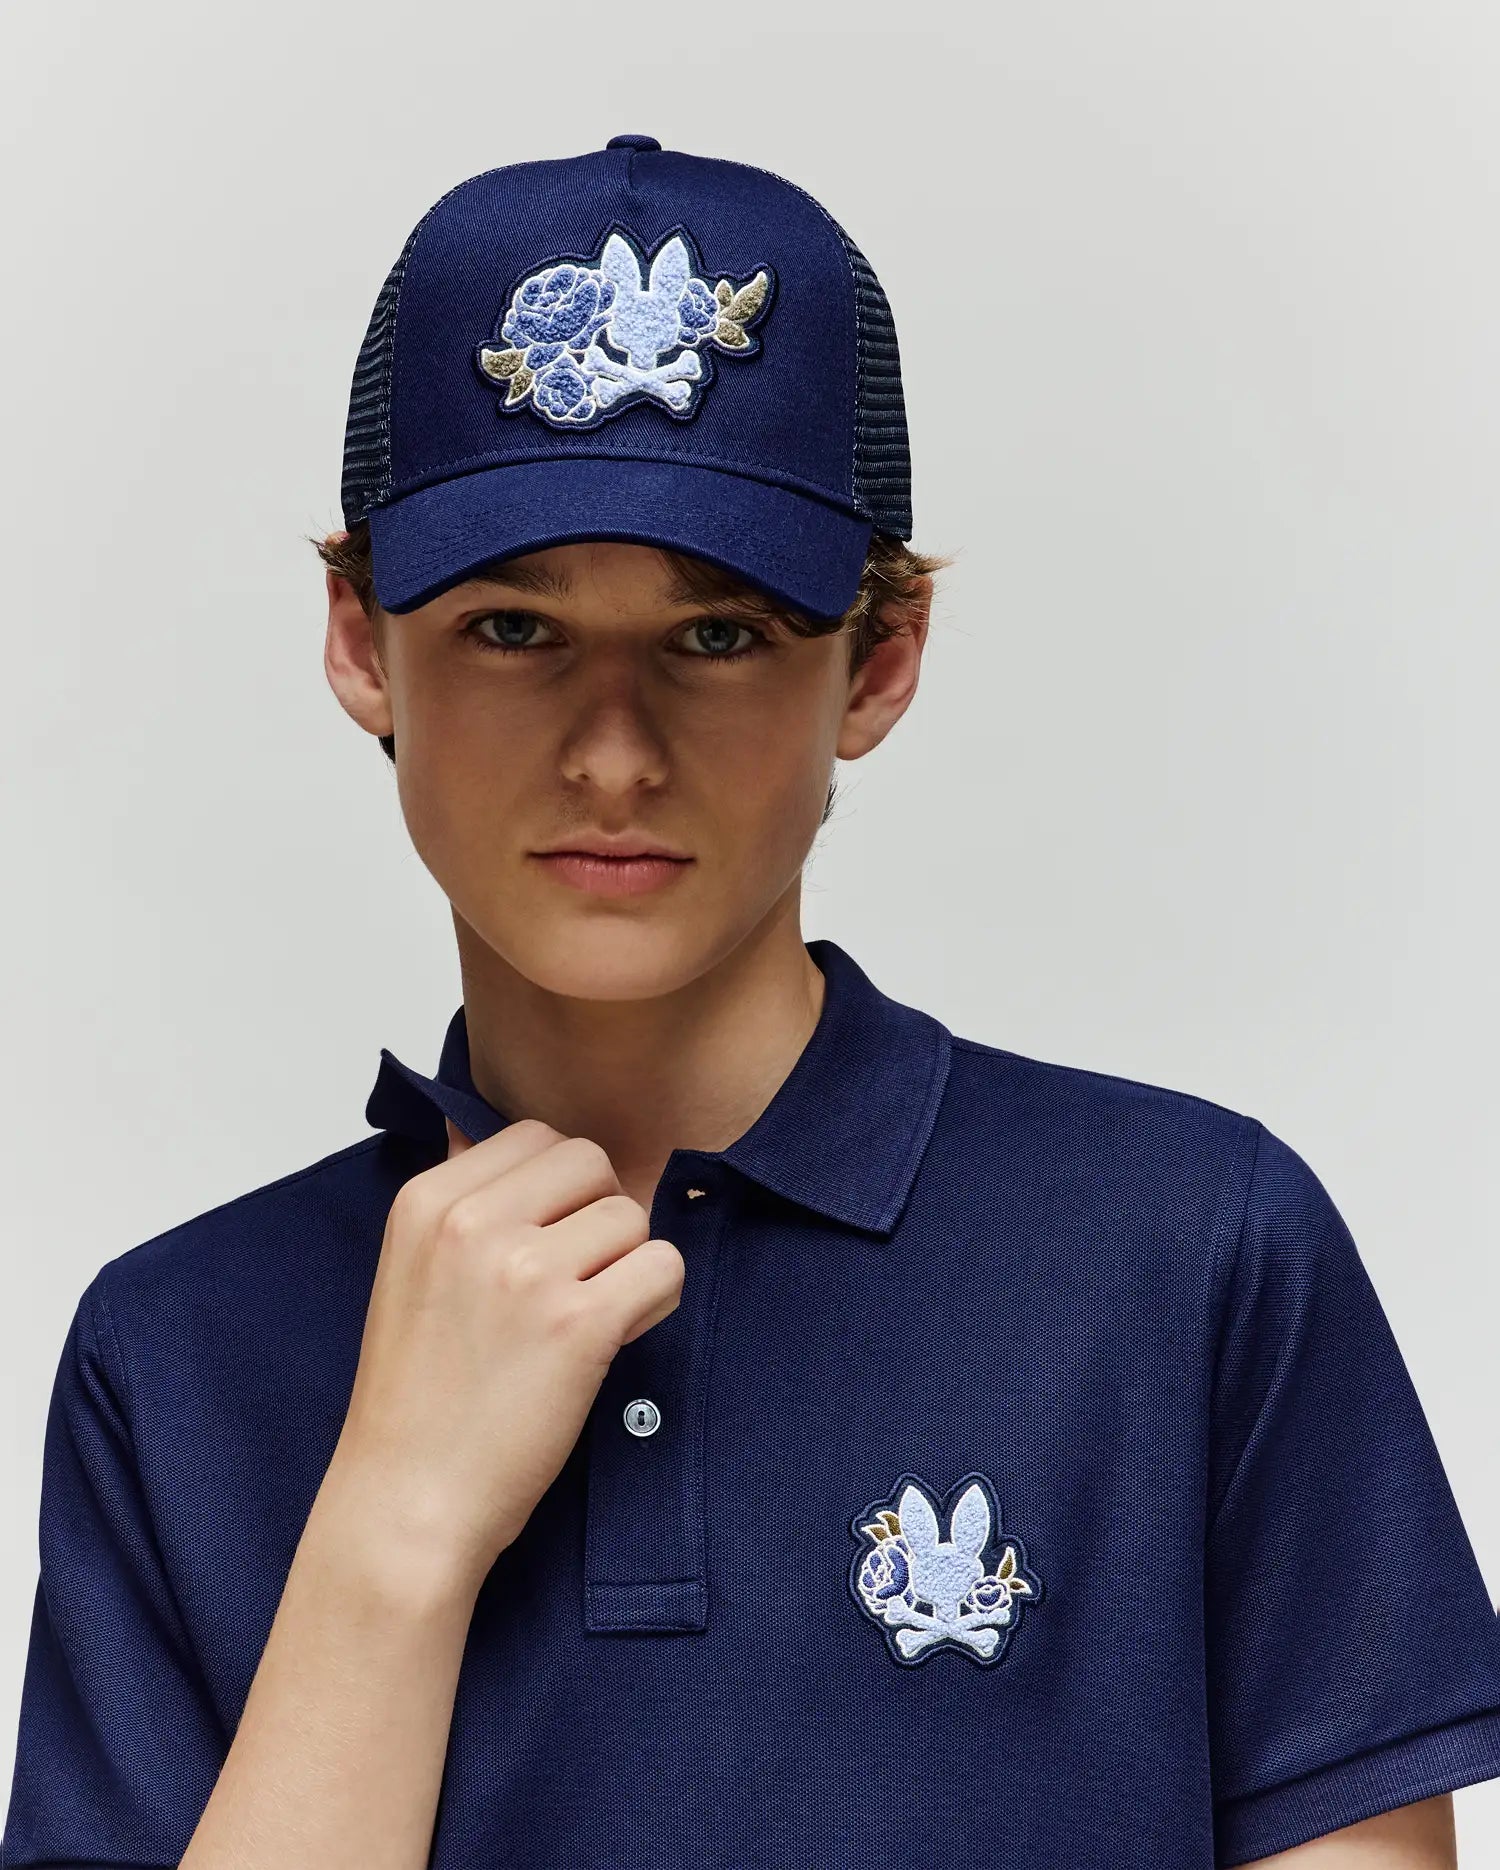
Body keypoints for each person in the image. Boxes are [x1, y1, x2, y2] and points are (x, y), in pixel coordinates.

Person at [3, 132, 1498, 1870]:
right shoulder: (174, 1355)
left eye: (715, 636)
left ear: (878, 660)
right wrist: (390, 1537)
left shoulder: (1193, 1257)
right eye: (510, 628)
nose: (613, 750)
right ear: (359, 642)